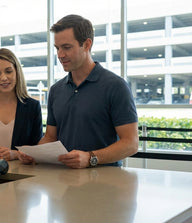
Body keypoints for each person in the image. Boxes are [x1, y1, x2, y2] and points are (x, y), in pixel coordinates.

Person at [20, 14, 139, 168]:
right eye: (57, 48)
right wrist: (35, 154)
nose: (60, 55)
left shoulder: (115, 86)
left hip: (105, 183)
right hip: (62, 182)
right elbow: (50, 137)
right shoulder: (56, 90)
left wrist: (91, 158)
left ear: (87, 44)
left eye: (67, 47)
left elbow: (131, 143)